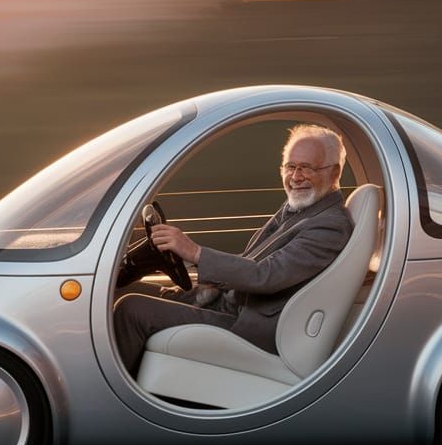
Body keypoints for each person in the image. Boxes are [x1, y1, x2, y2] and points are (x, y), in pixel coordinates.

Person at [113, 124, 353, 376]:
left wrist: (195, 252)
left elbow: (266, 275)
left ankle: (107, 395)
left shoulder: (329, 226)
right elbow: (250, 261)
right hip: (228, 305)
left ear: (334, 172)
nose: (296, 177)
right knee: (123, 289)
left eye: (306, 167)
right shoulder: (301, 209)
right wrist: (195, 268)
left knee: (132, 309)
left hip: (249, 326)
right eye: (290, 167)